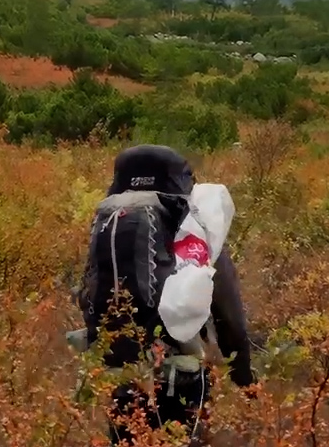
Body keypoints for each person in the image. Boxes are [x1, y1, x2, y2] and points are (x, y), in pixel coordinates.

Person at [75, 144, 253, 444]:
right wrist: (244, 378)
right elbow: (230, 319)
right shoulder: (196, 233)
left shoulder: (111, 224)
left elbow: (89, 293)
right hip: (181, 376)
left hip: (122, 374)